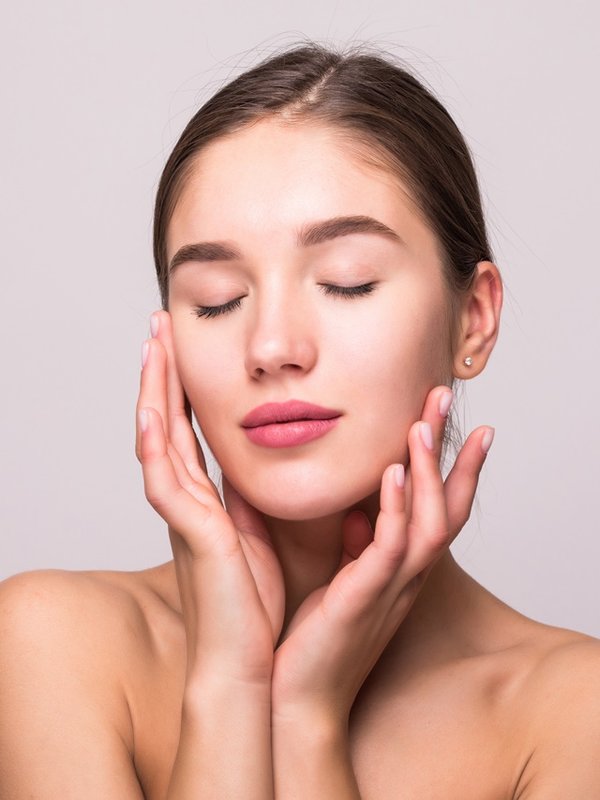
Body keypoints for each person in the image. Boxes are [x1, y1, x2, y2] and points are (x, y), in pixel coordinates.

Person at [1, 40, 599, 799]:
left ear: (472, 320)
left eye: (347, 283)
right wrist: (227, 684)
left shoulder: (574, 715)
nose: (272, 347)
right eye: (217, 297)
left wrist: (307, 718)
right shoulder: (53, 644)